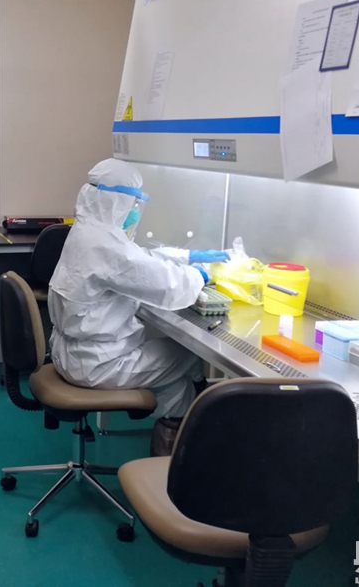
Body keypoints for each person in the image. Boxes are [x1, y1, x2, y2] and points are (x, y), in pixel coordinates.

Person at [48, 159, 228, 457]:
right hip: (97, 363)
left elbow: (138, 258)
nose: (135, 209)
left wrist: (187, 257)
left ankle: (172, 450)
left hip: (70, 353)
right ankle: (202, 435)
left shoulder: (89, 232)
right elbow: (169, 288)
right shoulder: (105, 245)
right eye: (132, 201)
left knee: (176, 386)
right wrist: (201, 275)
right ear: (116, 200)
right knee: (188, 354)